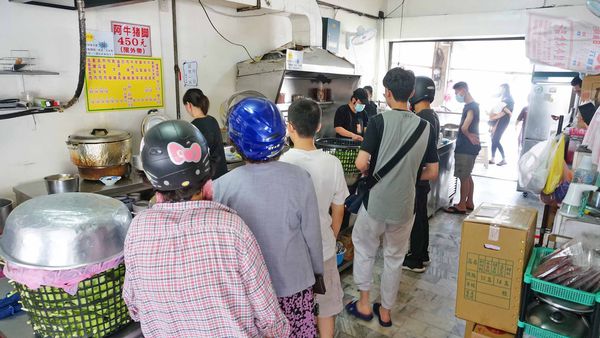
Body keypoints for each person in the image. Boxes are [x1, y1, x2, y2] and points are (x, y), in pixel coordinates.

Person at [123, 120, 289, 338]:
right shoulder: (231, 228)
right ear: (207, 178)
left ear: (154, 183)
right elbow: (269, 318)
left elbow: (134, 307)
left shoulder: (138, 230)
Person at [213, 97, 323, 338]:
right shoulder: (300, 178)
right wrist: (317, 273)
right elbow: (312, 236)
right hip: (295, 284)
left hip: (247, 293)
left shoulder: (221, 187)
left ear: (235, 143)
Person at [345, 67, 438, 327]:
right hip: (405, 205)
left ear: (386, 92)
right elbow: (431, 171)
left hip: (375, 202)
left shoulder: (377, 122)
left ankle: (364, 304)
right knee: (395, 257)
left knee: (364, 249)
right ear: (410, 93)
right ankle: (385, 312)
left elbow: (362, 163)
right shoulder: (425, 127)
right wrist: (407, 175)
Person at [280, 98, 349, 338]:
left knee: (293, 312)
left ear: (290, 126)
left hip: (291, 254)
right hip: (324, 250)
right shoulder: (332, 162)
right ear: (319, 126)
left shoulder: (282, 163)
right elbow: (338, 208)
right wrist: (332, 235)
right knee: (326, 308)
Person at [402, 76, 440, 273]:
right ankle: (422, 254)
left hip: (418, 175)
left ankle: (415, 259)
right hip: (424, 175)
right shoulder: (431, 114)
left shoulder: (421, 118)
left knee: (415, 217)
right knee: (421, 216)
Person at [444, 81, 481, 214]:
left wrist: (468, 135)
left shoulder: (470, 107)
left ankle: (461, 205)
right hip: (471, 148)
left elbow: (465, 126)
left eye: (456, 92)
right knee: (468, 174)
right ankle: (469, 202)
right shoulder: (474, 105)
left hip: (465, 147)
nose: (456, 95)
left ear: (463, 90)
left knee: (463, 176)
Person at [183, 88, 228, 179]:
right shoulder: (212, 120)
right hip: (221, 173)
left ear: (189, 105)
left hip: (208, 177)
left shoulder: (193, 127)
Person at [488, 84, 514, 166]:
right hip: (498, 122)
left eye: (501, 89)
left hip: (502, 122)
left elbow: (504, 112)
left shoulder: (509, 99)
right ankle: (493, 158)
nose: (500, 91)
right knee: (494, 139)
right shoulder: (504, 99)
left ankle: (503, 159)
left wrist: (493, 117)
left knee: (495, 140)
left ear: (505, 89)